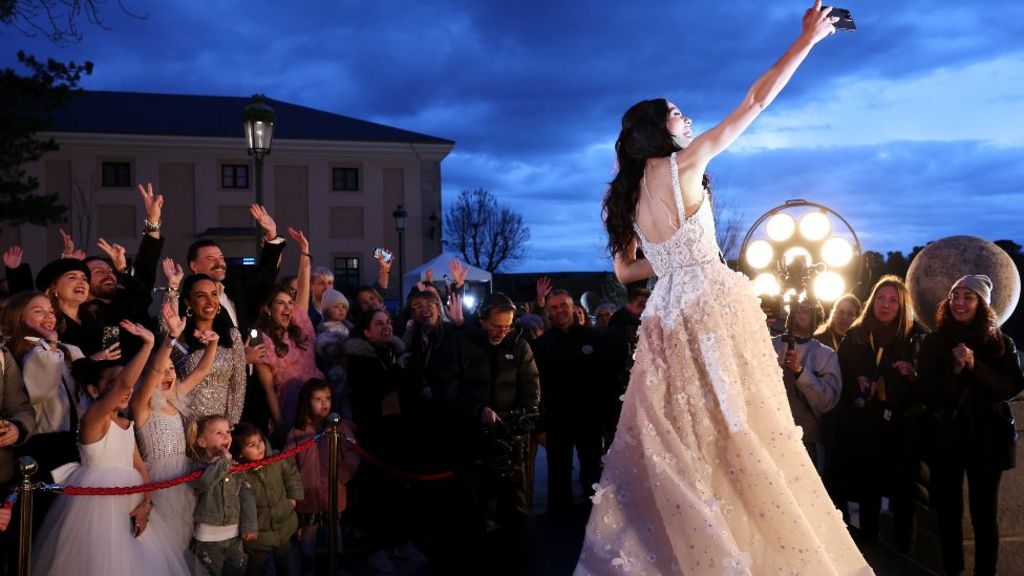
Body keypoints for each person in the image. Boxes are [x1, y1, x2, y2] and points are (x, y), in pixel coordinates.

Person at [575, 3, 872, 574]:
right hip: (710, 303)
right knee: (739, 426)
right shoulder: (684, 164)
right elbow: (756, 100)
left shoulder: (625, 195)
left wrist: (667, 261)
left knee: (678, 433)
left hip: (665, 312)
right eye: (678, 115)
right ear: (658, 130)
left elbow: (623, 274)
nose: (687, 121)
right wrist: (807, 39)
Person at [32, 321, 192, 575]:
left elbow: (139, 466)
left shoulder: (126, 422)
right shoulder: (94, 419)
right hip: (97, 508)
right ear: (94, 390)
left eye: (124, 380)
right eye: (113, 382)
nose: (124, 388)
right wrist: (150, 344)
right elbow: (124, 386)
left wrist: (147, 504)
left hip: (130, 504)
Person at [917, 275, 1024, 576]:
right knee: (948, 515)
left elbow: (1010, 387)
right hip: (948, 438)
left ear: (982, 304)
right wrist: (954, 368)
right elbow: (929, 393)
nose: (959, 303)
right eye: (955, 296)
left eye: (968, 296)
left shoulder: (1001, 342)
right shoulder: (934, 342)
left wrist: (976, 367)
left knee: (985, 517)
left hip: (988, 438)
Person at [434, 293, 540, 572]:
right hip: (468, 440)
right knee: (472, 510)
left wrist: (518, 418)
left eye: (507, 326)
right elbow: (445, 390)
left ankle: (517, 564)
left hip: (510, 441)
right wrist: (477, 410)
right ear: (482, 320)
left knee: (515, 511)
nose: (501, 332)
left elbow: (531, 391)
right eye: (496, 326)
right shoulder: (457, 344)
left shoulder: (519, 346)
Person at [831, 275, 926, 552]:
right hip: (864, 430)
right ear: (872, 301)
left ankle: (904, 560)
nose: (885, 305)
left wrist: (912, 376)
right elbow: (841, 381)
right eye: (881, 298)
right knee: (867, 497)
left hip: (900, 433)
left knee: (903, 501)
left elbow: (928, 388)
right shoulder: (856, 336)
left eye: (893, 300)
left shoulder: (914, 338)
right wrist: (856, 383)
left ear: (902, 305)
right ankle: (872, 558)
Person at [132, 302, 219, 550]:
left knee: (179, 538)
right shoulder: (142, 406)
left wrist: (213, 342)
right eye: (163, 371)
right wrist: (171, 338)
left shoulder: (176, 397)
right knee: (157, 542)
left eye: (172, 369)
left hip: (181, 475)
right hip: (156, 480)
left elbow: (202, 370)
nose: (168, 374)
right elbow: (156, 368)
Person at [532, 289, 603, 512]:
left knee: (593, 475)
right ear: (548, 311)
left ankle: (596, 522)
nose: (560, 310)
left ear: (574, 307)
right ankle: (558, 524)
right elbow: (536, 389)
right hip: (556, 422)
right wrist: (540, 425)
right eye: (554, 307)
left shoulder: (594, 339)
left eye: (564, 305)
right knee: (559, 476)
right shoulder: (541, 345)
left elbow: (604, 381)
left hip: (589, 420)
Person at [254, 228, 324, 439]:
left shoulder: (300, 327)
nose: (287, 308)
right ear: (268, 308)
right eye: (280, 303)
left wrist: (305, 252)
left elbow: (304, 289)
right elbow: (268, 390)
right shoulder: (260, 338)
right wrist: (280, 425)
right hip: (289, 410)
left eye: (290, 303)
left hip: (319, 405)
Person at [285, 379, 360, 574]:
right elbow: (288, 460)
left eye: (327, 398)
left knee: (334, 528)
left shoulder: (341, 428)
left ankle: (337, 563)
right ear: (306, 402)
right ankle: (310, 565)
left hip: (333, 491)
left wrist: (341, 477)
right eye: (317, 399)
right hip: (307, 492)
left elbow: (353, 455)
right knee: (309, 531)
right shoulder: (297, 431)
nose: (324, 403)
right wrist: (295, 485)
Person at [162, 266, 247, 424]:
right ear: (188, 303)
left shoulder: (232, 335)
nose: (210, 302)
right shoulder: (179, 336)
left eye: (214, 294)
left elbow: (238, 385)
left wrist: (230, 426)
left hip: (219, 426)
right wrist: (173, 287)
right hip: (185, 423)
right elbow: (166, 327)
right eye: (201, 296)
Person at [771, 299, 842, 473]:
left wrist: (800, 371)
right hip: (770, 433)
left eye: (806, 310)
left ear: (815, 317)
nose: (799, 312)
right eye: (796, 308)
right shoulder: (769, 344)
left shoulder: (825, 355)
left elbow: (827, 400)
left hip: (806, 439)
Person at [188, 414, 258, 576]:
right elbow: (204, 483)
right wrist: (224, 462)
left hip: (234, 536)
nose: (226, 435)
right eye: (218, 433)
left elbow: (246, 497)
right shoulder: (198, 467)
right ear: (202, 442)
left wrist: (249, 525)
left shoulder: (236, 468)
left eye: (228, 431)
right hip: (208, 540)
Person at [230, 422, 303, 576]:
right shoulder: (239, 475)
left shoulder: (276, 459)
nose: (259, 447)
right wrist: (248, 527)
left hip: (284, 524)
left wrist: (293, 499)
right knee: (256, 566)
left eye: (260, 441)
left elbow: (291, 474)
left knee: (285, 564)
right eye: (252, 445)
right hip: (259, 535)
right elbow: (241, 504)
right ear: (240, 453)